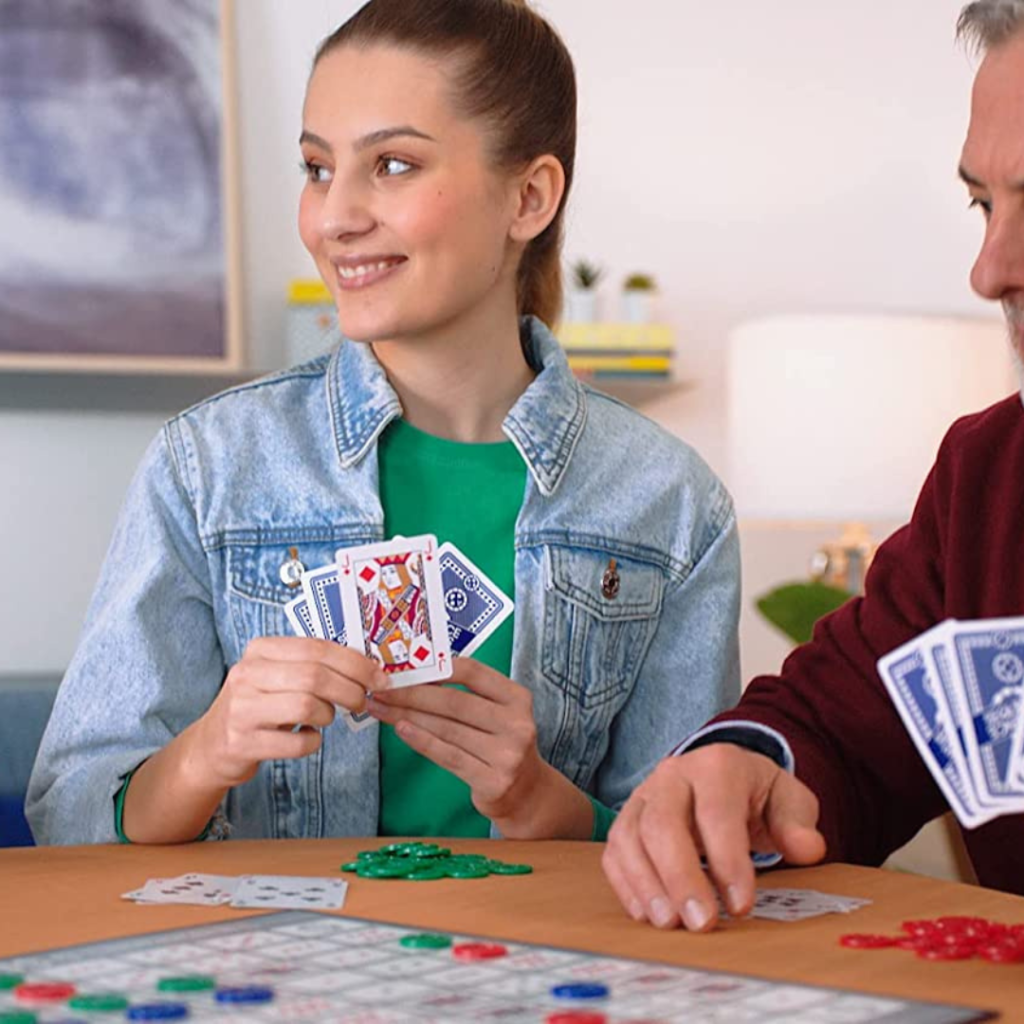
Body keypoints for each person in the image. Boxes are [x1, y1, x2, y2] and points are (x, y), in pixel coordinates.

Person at [27, 0, 741, 846]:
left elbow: (688, 848)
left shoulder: (674, 506)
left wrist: (539, 803)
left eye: (394, 164)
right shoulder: (208, 466)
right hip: (274, 965)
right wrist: (206, 751)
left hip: (547, 974)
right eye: (317, 167)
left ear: (530, 196)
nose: (334, 217)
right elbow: (70, 817)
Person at [601, 0, 1024, 933]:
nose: (989, 270)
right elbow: (843, 729)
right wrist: (744, 770)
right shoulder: (987, 473)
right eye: (983, 206)